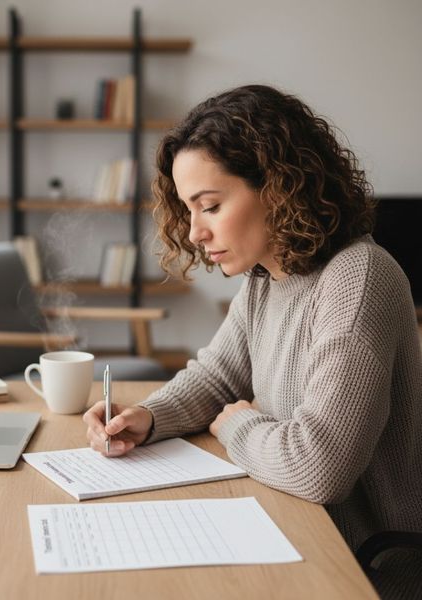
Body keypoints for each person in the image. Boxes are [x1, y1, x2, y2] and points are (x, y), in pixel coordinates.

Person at [83, 84, 422, 585]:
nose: (195, 231)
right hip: (295, 529)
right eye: (188, 208)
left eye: (211, 206)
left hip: (365, 565)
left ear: (279, 188)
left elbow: (319, 466)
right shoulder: (269, 277)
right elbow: (219, 378)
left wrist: (238, 427)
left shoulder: (358, 278)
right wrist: (148, 417)